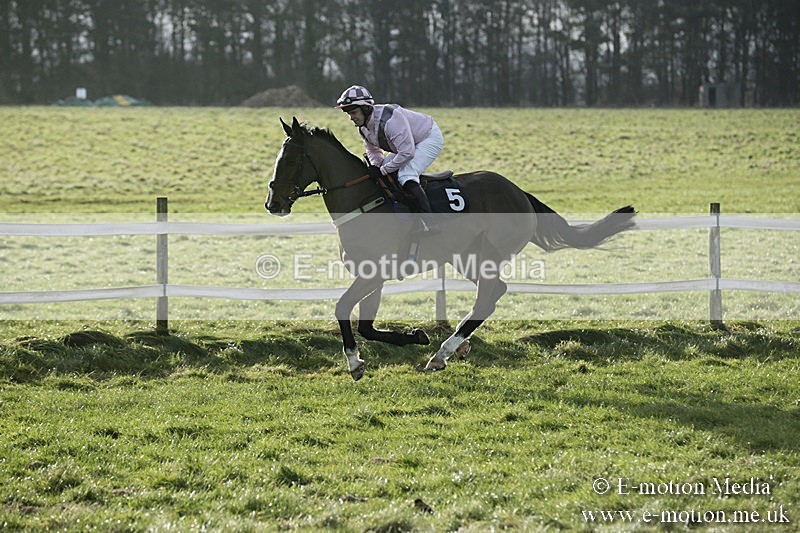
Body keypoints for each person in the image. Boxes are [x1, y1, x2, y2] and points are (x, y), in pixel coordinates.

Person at [335, 84, 443, 233]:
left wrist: (383, 170)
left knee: (407, 174)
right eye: (349, 114)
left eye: (353, 112)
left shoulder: (390, 121)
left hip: (427, 137)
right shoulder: (363, 128)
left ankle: (431, 224)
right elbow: (373, 150)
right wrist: (376, 166)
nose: (351, 118)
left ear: (366, 109)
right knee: (385, 172)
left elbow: (407, 153)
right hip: (406, 143)